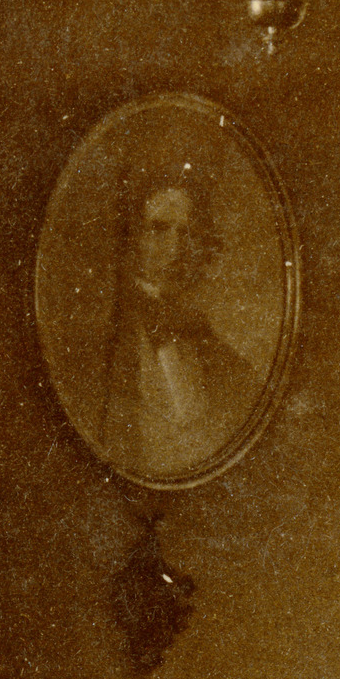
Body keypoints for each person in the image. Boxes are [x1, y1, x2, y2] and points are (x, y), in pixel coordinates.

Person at [98, 163, 257, 482]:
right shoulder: (111, 333)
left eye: (184, 232)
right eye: (158, 229)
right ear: (132, 238)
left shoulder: (198, 329)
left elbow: (246, 394)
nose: (175, 248)